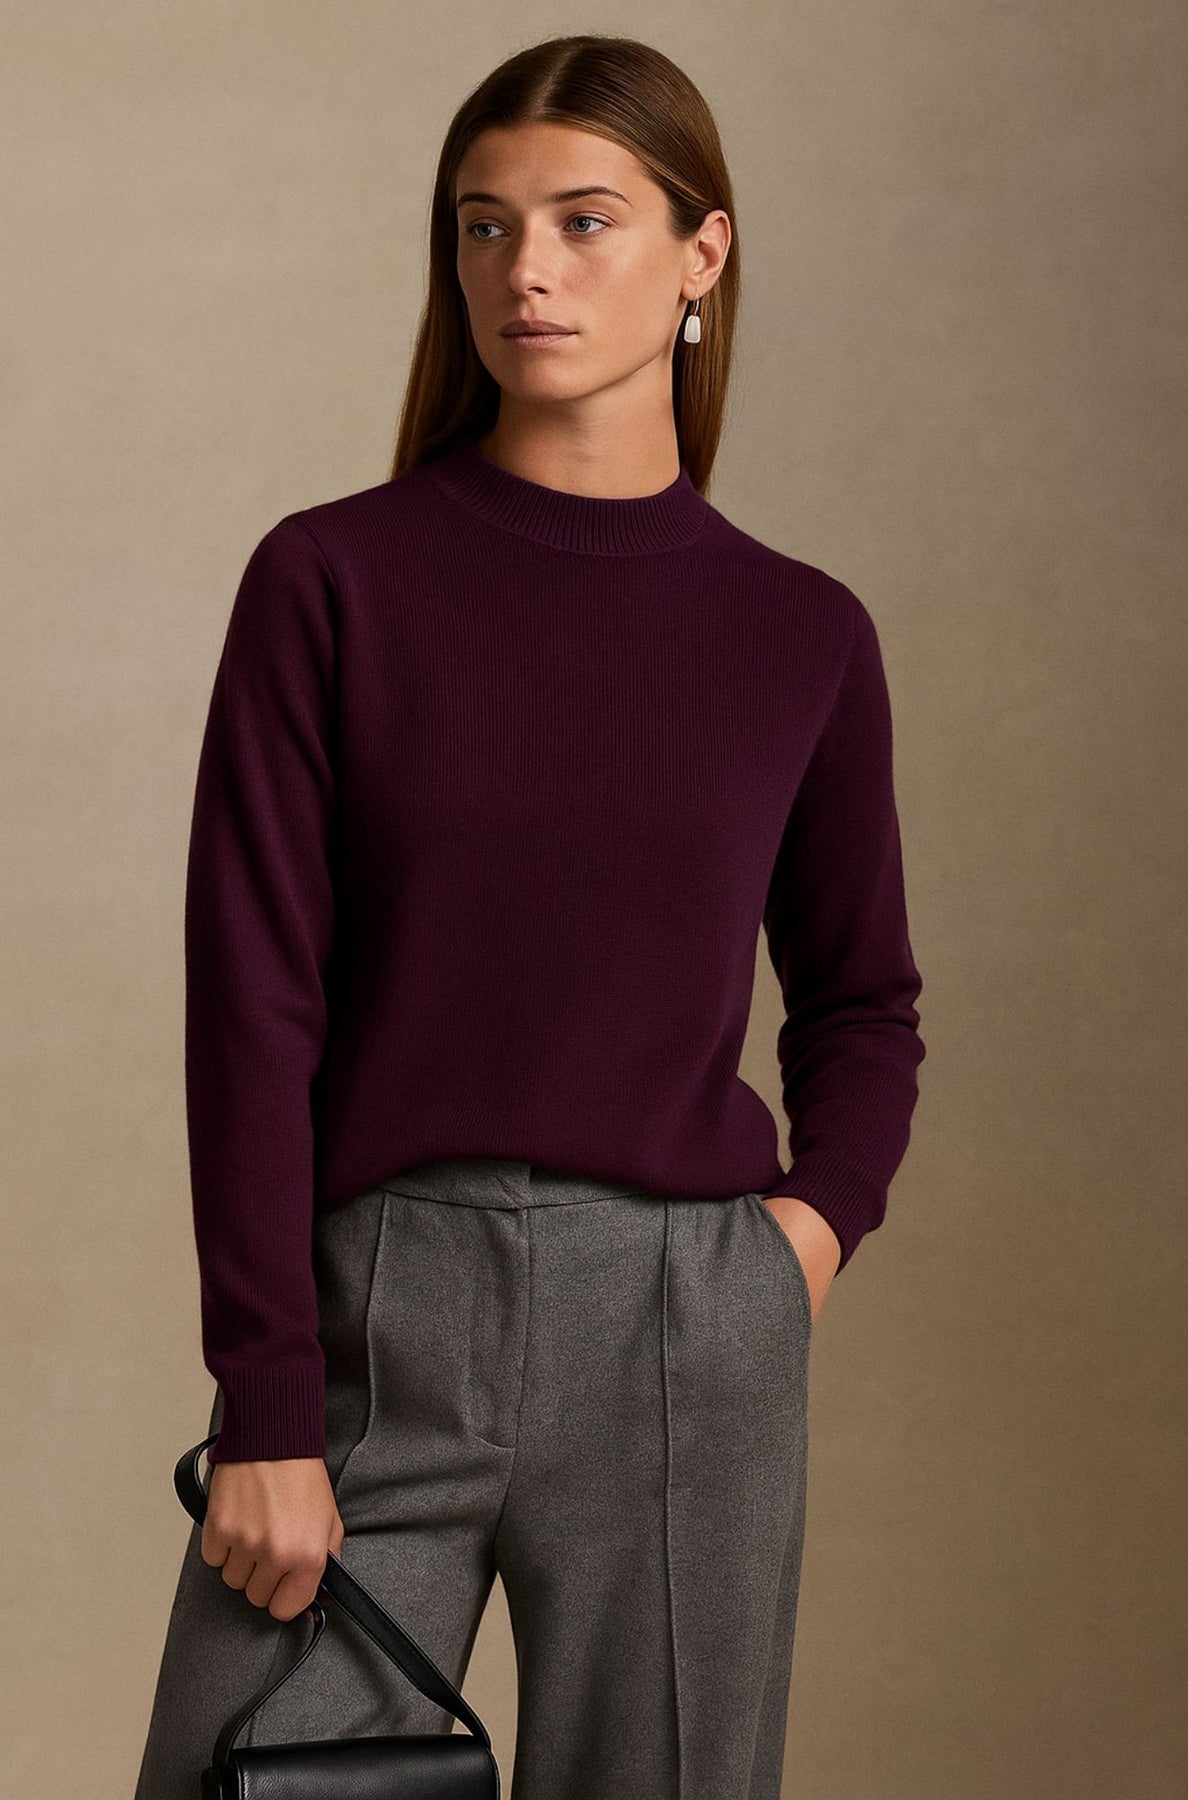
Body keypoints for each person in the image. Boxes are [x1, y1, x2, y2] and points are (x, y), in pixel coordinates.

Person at [134, 31, 925, 1800]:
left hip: (689, 1326)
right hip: (381, 1312)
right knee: (242, 1773)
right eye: (484, 227)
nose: (526, 272)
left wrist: (798, 1250)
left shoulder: (801, 633)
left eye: (583, 220)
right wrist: (268, 1397)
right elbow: (254, 1004)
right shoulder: (333, 581)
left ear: (703, 255)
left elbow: (862, 1001)